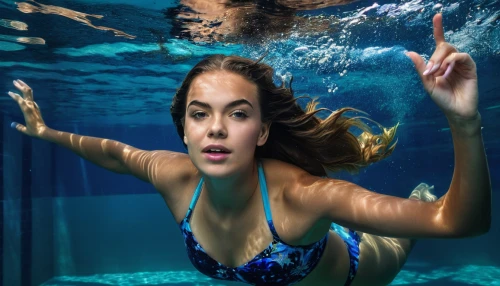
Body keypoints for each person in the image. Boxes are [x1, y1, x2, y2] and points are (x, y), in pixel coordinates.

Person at [8, 13, 491, 286]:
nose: (215, 129)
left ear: (261, 131)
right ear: (184, 129)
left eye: (237, 114)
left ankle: (419, 199)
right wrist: (47, 133)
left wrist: (464, 120)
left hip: (357, 271)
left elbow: (462, 223)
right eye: (200, 114)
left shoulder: (303, 196)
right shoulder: (175, 178)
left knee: (400, 238)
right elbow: (115, 154)